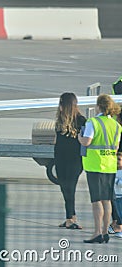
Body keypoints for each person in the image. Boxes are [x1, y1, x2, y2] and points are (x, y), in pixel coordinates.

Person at [78, 94, 122, 243]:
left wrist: (79, 137)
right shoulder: (116, 125)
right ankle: (105, 231)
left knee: (96, 200)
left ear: (99, 106)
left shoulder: (93, 122)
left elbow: (87, 141)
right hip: (110, 165)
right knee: (107, 200)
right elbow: (115, 147)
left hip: (95, 165)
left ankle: (97, 232)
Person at [54, 93, 86, 230]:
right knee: (64, 188)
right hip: (60, 159)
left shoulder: (81, 121)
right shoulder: (60, 120)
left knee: (70, 188)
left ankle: (71, 218)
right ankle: (69, 217)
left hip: (74, 160)